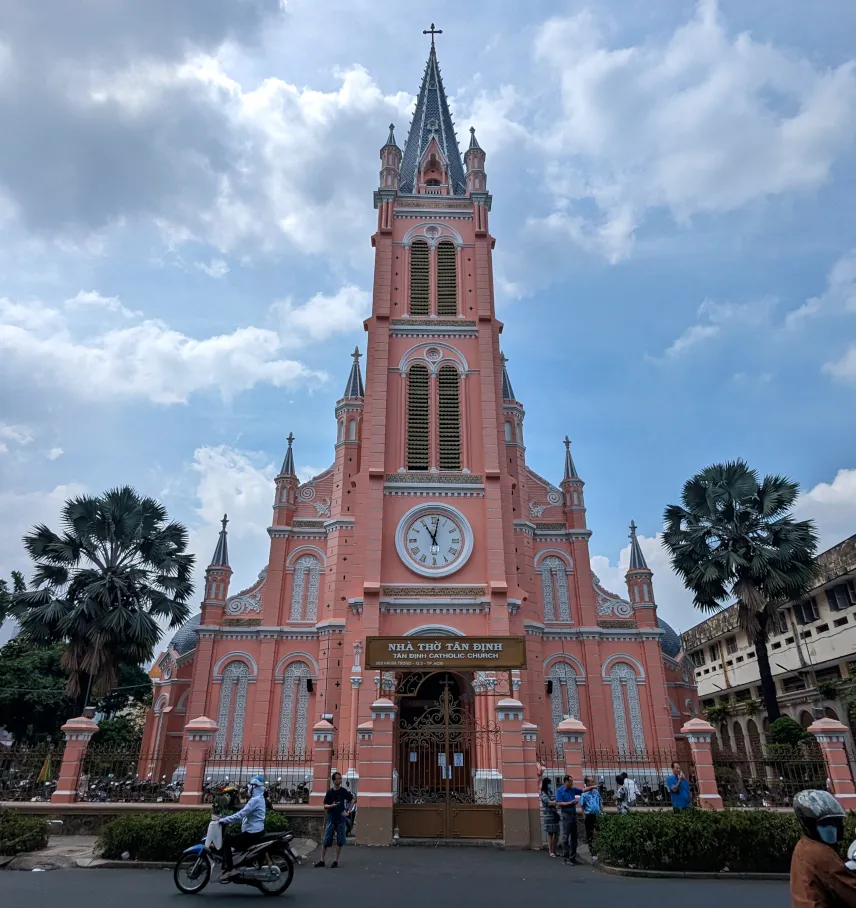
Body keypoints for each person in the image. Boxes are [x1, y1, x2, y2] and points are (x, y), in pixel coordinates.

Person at [790, 789, 856, 908]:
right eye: (826, 824)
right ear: (810, 825)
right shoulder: (820, 853)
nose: (833, 828)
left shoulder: (803, 845)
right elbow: (849, 889)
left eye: (835, 823)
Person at [217, 775, 267, 882]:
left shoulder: (255, 800)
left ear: (254, 787)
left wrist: (224, 820)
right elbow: (244, 814)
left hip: (252, 833)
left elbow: (240, 815)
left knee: (227, 842)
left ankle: (230, 869)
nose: (248, 787)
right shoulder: (259, 798)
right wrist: (228, 818)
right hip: (256, 831)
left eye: (250, 785)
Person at [315, 771, 355, 868]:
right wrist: (331, 806)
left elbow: (353, 800)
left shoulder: (343, 791)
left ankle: (336, 861)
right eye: (338, 779)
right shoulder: (330, 792)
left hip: (341, 818)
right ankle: (322, 860)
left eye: (340, 778)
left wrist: (348, 811)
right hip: (331, 818)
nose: (340, 780)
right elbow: (325, 805)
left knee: (339, 841)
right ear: (334, 781)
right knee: (326, 840)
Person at [555, 775, 583, 865]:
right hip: (566, 815)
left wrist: (592, 787)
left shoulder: (573, 789)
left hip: (573, 814)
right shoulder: (560, 791)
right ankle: (566, 858)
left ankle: (573, 857)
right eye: (571, 782)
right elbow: (559, 803)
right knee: (565, 837)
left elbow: (582, 791)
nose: (572, 783)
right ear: (566, 782)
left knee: (574, 837)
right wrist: (570, 803)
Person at [579, 776, 602, 848]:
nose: (594, 783)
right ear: (587, 783)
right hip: (589, 815)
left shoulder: (596, 792)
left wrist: (602, 812)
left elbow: (600, 802)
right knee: (589, 833)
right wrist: (584, 817)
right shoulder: (584, 794)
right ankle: (592, 849)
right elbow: (582, 806)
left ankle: (600, 847)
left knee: (600, 831)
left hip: (597, 814)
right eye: (592, 782)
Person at [540, 777, 560, 857]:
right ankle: (550, 851)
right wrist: (556, 803)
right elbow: (549, 802)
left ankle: (554, 850)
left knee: (557, 833)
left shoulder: (551, 792)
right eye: (549, 783)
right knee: (550, 834)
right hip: (548, 815)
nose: (550, 785)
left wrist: (556, 803)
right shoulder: (543, 793)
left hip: (554, 814)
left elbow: (554, 801)